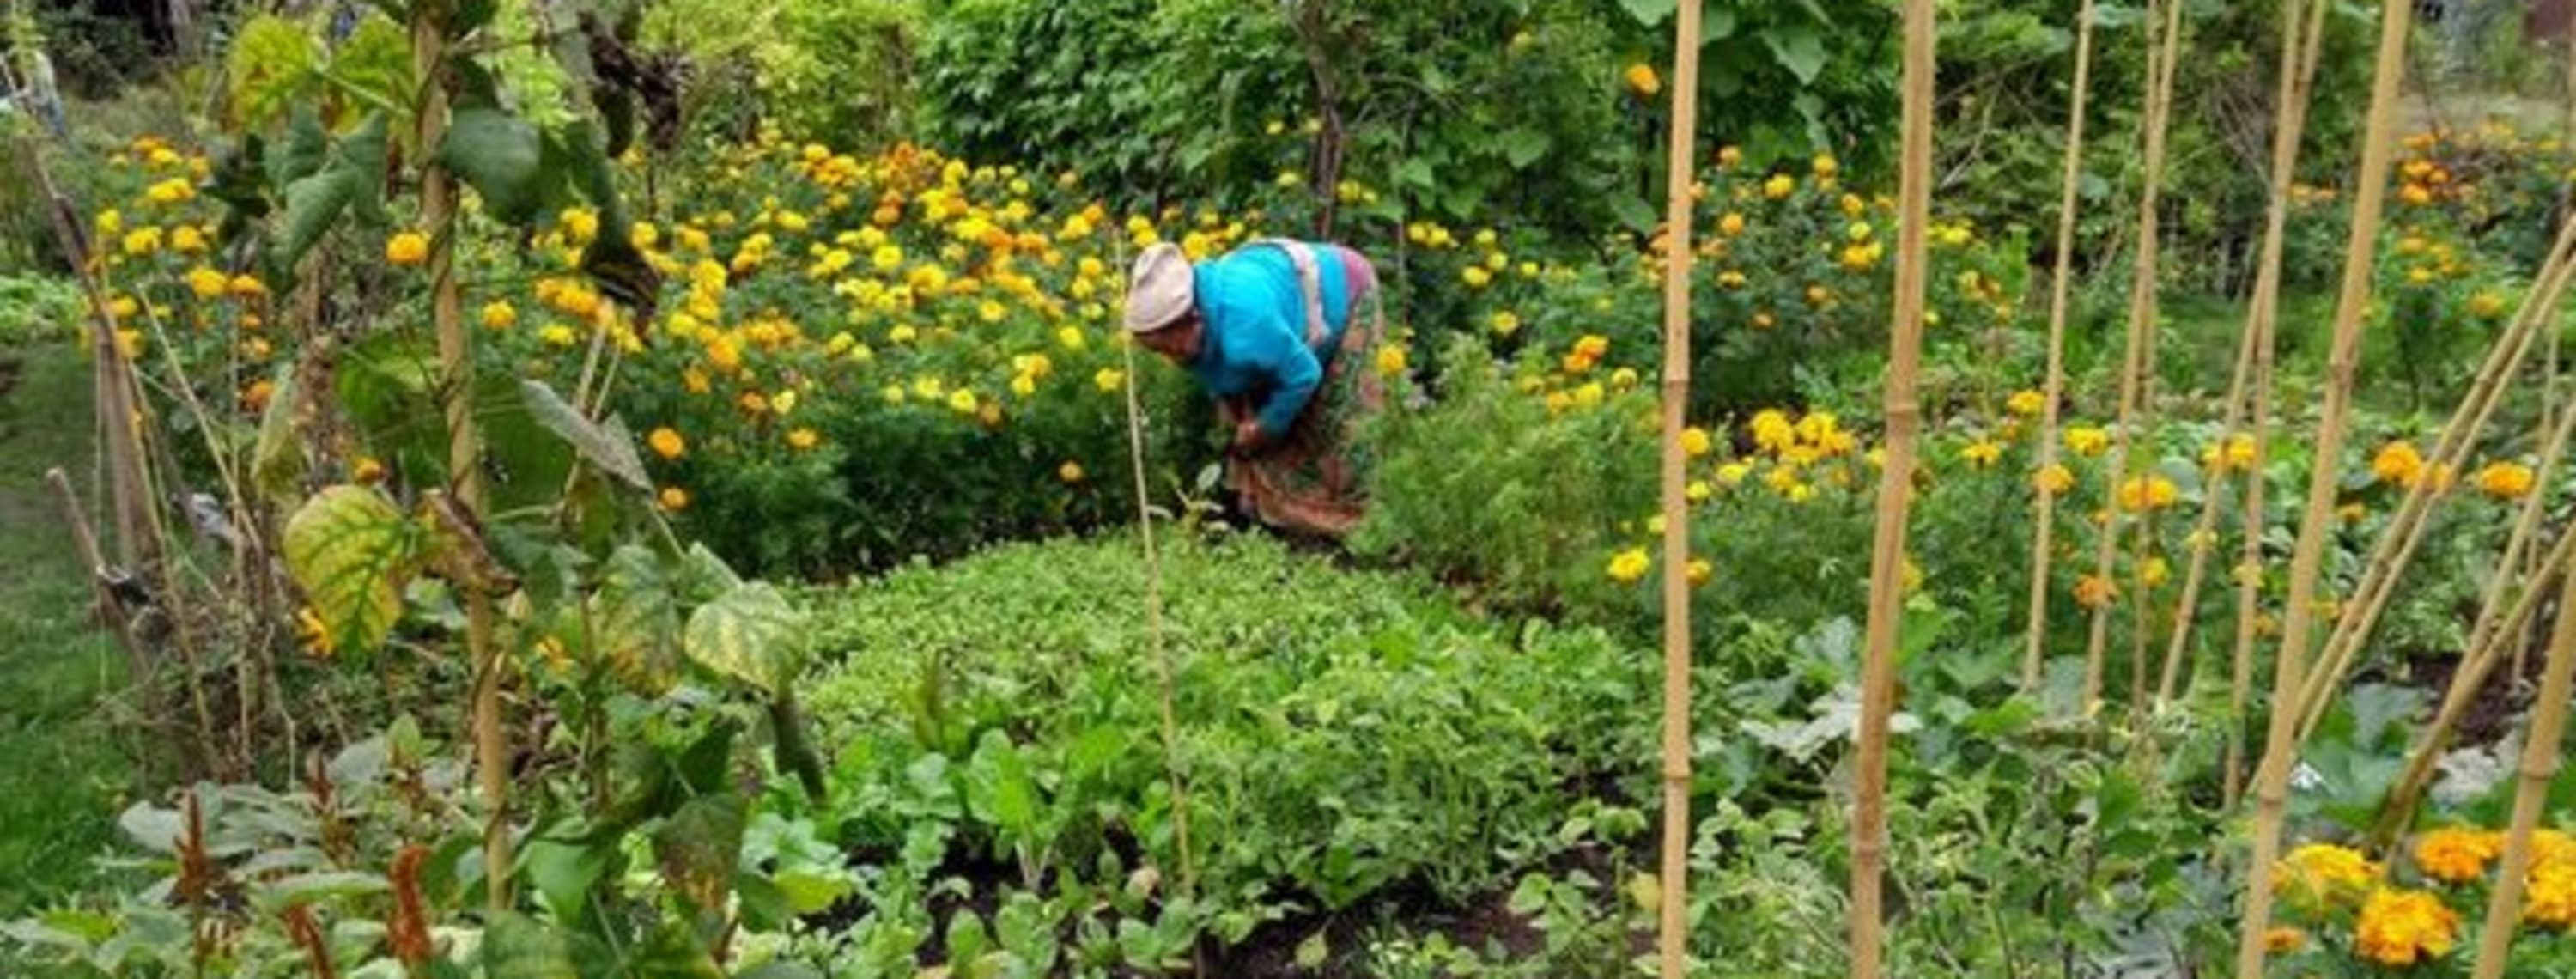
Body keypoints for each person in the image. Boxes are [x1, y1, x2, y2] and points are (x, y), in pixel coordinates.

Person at [1122, 237, 1390, 538]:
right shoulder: (1193, 324)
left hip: (1345, 290)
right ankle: (1275, 518)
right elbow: (1222, 377)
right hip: (1281, 307)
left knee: (1341, 424)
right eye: (1158, 351)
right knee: (1254, 428)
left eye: (1168, 347)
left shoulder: (1246, 328)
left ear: (1192, 318)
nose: (1169, 359)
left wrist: (1268, 425)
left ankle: (1366, 529)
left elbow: (1304, 375)